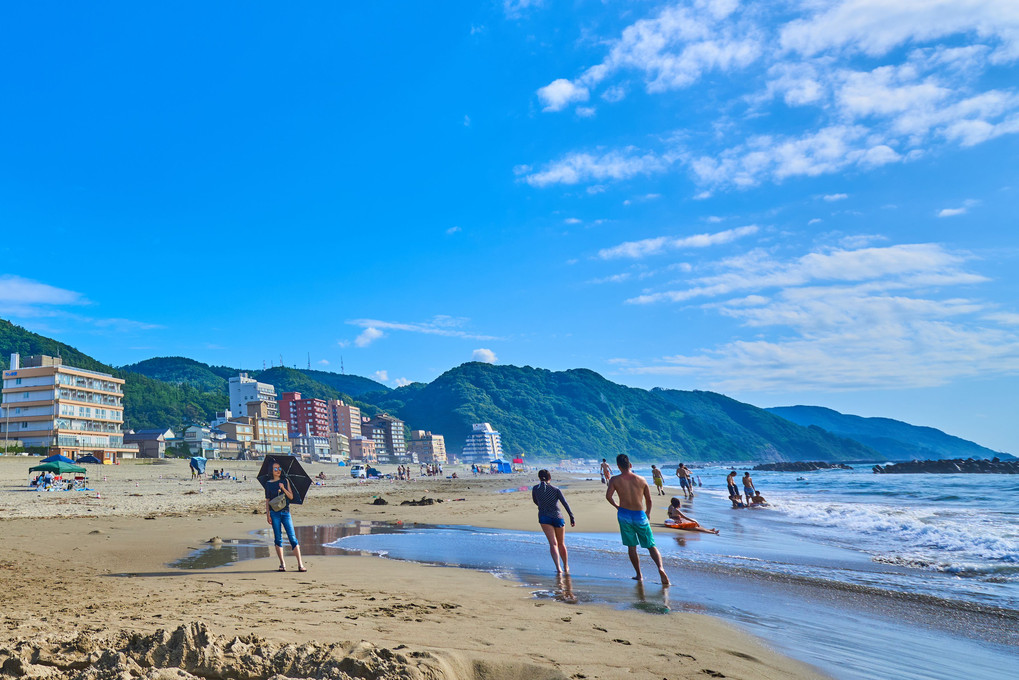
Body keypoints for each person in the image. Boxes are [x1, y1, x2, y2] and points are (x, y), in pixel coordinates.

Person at [606, 454, 670, 584]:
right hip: (640, 514)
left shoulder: (615, 480)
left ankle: (639, 574)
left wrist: (617, 506)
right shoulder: (641, 479)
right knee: (651, 545)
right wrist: (648, 513)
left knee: (632, 546)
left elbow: (608, 496)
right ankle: (660, 568)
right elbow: (649, 500)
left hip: (624, 514)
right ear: (630, 465)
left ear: (618, 466)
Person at [264, 462, 307, 572]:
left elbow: (291, 496)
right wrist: (268, 514)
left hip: (286, 512)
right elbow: (267, 500)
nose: (278, 470)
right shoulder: (268, 484)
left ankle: (300, 564)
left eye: (279, 468)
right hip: (274, 513)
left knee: (292, 537)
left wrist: (283, 488)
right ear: (271, 471)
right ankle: (282, 564)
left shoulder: (285, 481)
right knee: (278, 538)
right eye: (275, 469)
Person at [531, 469, 576, 573]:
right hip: (557, 516)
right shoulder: (555, 489)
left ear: (539, 478)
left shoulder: (535, 489)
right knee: (561, 543)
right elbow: (565, 503)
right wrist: (571, 517)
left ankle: (558, 568)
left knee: (553, 544)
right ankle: (566, 566)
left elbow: (535, 501)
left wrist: (542, 506)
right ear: (549, 478)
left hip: (544, 517)